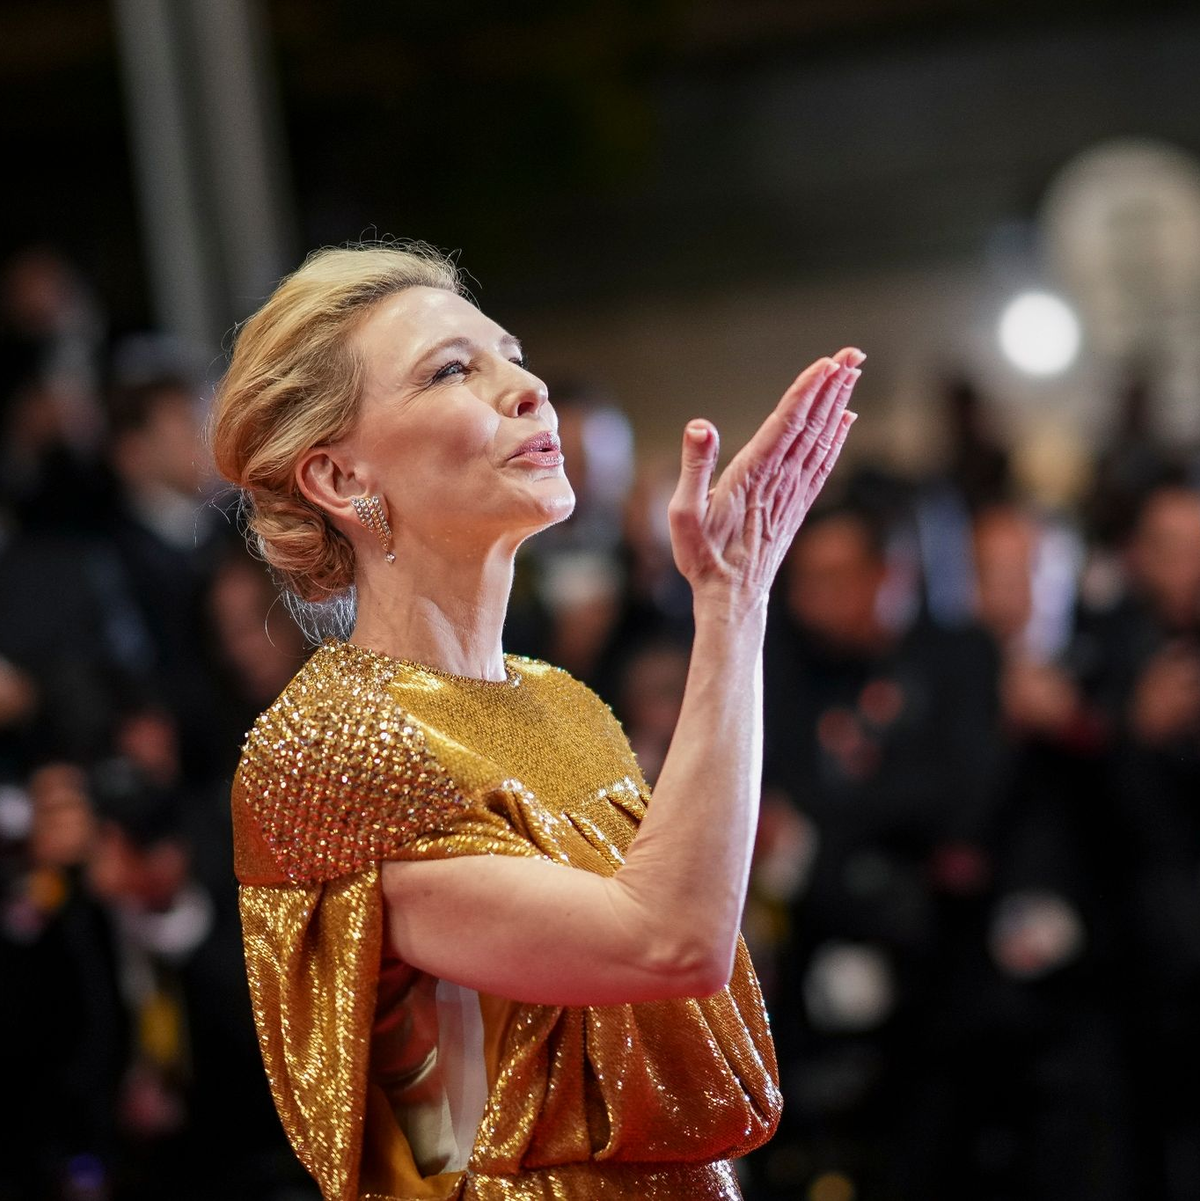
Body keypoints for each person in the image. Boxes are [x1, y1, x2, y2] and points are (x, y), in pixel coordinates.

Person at [209, 242, 861, 1200]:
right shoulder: (328, 743)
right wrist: (733, 602)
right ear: (340, 479)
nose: (529, 389)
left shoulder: (561, 698)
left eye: (511, 355)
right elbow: (670, 941)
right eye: (452, 370)